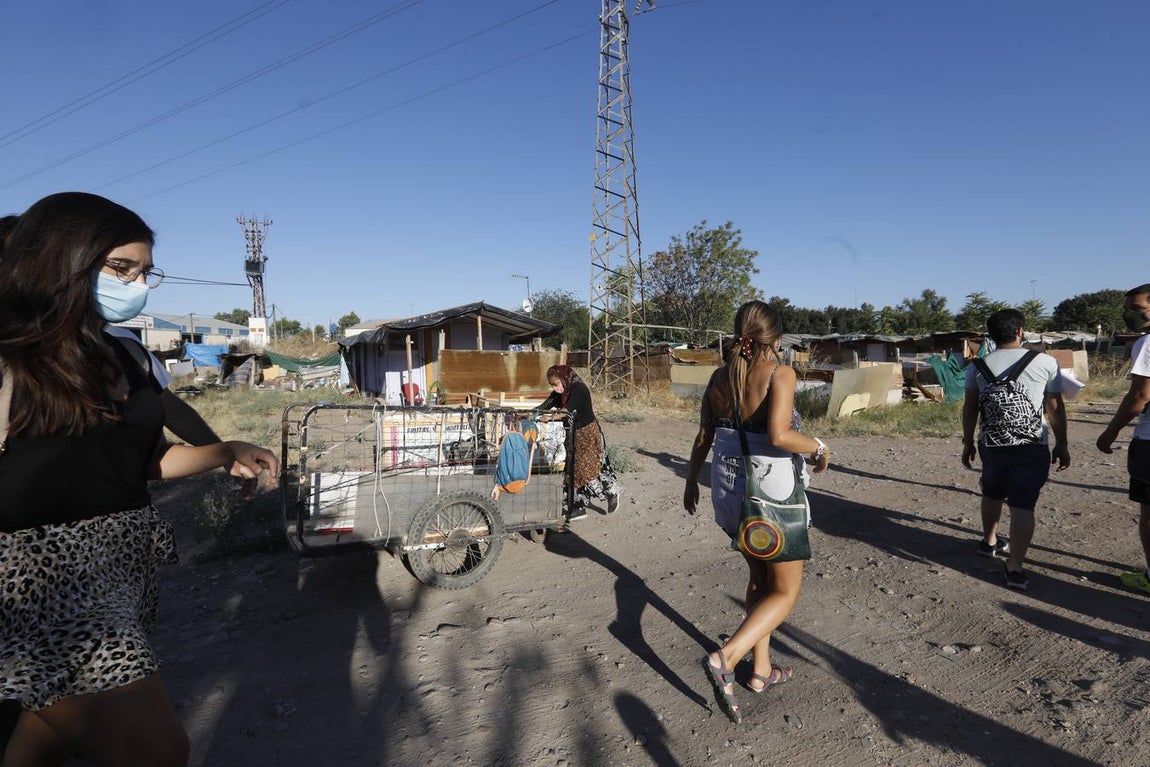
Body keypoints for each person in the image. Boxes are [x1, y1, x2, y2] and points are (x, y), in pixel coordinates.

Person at [0, 192, 279, 767]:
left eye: (144, 271)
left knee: (41, 737)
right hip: (41, 587)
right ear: (60, 262)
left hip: (119, 569)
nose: (137, 284)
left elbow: (142, 463)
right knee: (157, 750)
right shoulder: (12, 360)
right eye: (119, 268)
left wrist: (222, 449)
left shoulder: (118, 354)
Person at [683, 300, 829, 725]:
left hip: (729, 492)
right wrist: (820, 447)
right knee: (785, 591)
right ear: (777, 340)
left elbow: (704, 435)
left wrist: (692, 479)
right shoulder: (780, 374)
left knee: (759, 580)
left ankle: (761, 671)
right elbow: (780, 435)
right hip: (772, 498)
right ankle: (726, 656)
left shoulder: (718, 377)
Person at [961, 308, 1069, 591]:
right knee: (1022, 504)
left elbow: (970, 408)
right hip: (1030, 445)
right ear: (1020, 331)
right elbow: (1054, 406)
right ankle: (1015, 567)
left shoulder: (977, 366)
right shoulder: (1045, 362)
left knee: (992, 491)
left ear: (991, 335)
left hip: (991, 444)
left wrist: (967, 442)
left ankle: (989, 542)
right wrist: (1063, 443)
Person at [1096, 283, 1150, 595]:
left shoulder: (1146, 343)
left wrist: (1111, 431)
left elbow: (1140, 396)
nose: (1130, 314)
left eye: (1138, 308)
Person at [539, 364, 621, 519]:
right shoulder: (561, 393)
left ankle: (611, 492)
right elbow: (545, 405)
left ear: (564, 379)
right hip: (572, 435)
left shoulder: (579, 390)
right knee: (572, 469)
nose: (555, 389)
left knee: (592, 467)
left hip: (587, 433)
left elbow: (567, 410)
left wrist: (550, 417)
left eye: (556, 384)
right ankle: (578, 506)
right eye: (552, 386)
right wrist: (527, 414)